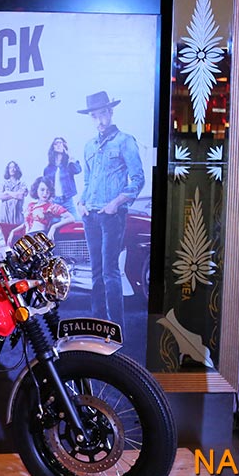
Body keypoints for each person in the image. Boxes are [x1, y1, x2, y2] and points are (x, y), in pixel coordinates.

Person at [76, 91, 145, 332]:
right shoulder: (89, 146)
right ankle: (98, 324)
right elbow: (88, 182)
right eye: (94, 116)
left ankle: (116, 329)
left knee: (110, 271)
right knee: (96, 272)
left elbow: (138, 179)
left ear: (110, 112)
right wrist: (81, 204)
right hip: (90, 216)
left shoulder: (125, 141)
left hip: (112, 215)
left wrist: (115, 203)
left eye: (102, 114)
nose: (99, 120)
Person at [21, 176, 75, 242]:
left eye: (48, 190)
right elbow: (26, 223)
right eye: (42, 190)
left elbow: (71, 218)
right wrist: (13, 231)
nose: (45, 193)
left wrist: (54, 227)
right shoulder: (31, 205)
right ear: (36, 190)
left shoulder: (51, 207)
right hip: (28, 238)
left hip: (40, 237)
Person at [43, 136, 82, 219]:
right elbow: (45, 185)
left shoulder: (68, 165)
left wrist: (70, 156)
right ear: (53, 147)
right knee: (54, 222)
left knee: (76, 220)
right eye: (56, 143)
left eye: (61, 143)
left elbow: (77, 170)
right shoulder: (48, 169)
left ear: (64, 146)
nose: (59, 145)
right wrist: (48, 199)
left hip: (67, 200)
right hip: (54, 201)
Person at [0, 160, 27, 225]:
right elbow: (0, 196)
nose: (12, 169)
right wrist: (15, 195)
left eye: (14, 167)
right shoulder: (3, 183)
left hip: (17, 214)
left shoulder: (22, 183)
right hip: (5, 215)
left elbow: (20, 196)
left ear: (17, 169)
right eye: (10, 167)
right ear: (8, 170)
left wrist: (7, 192)